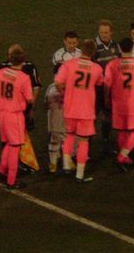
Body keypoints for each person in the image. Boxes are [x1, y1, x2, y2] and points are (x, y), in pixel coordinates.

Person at [55, 39, 104, 182]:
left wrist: (65, 92)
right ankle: (80, 175)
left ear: (81, 50)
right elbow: (101, 82)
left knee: (70, 135)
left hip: (70, 107)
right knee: (83, 141)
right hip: (86, 110)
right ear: (93, 53)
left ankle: (65, 165)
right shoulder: (97, 68)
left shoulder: (69, 65)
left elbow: (58, 83)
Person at [0, 45, 35, 189]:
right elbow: (30, 99)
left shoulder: (1, 72)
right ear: (23, 61)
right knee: (15, 147)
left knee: (9, 144)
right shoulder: (24, 77)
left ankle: (2, 171)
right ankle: (11, 180)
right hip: (14, 115)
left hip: (2, 113)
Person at [104, 37, 134, 170]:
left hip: (118, 102)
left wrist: (106, 99)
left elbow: (107, 84)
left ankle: (125, 157)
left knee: (122, 131)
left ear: (120, 48)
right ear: (132, 48)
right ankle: (122, 156)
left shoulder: (112, 64)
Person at [94, 20, 121, 154]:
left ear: (111, 32)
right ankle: (85, 144)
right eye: (101, 32)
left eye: (106, 32)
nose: (103, 35)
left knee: (107, 116)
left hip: (111, 88)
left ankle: (105, 141)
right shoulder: (94, 47)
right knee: (92, 116)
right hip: (97, 88)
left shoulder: (116, 46)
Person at [45, 83, 66, 173]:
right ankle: (67, 163)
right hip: (67, 119)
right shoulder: (72, 85)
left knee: (54, 141)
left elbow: (45, 104)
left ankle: (53, 164)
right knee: (67, 141)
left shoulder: (51, 87)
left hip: (54, 119)